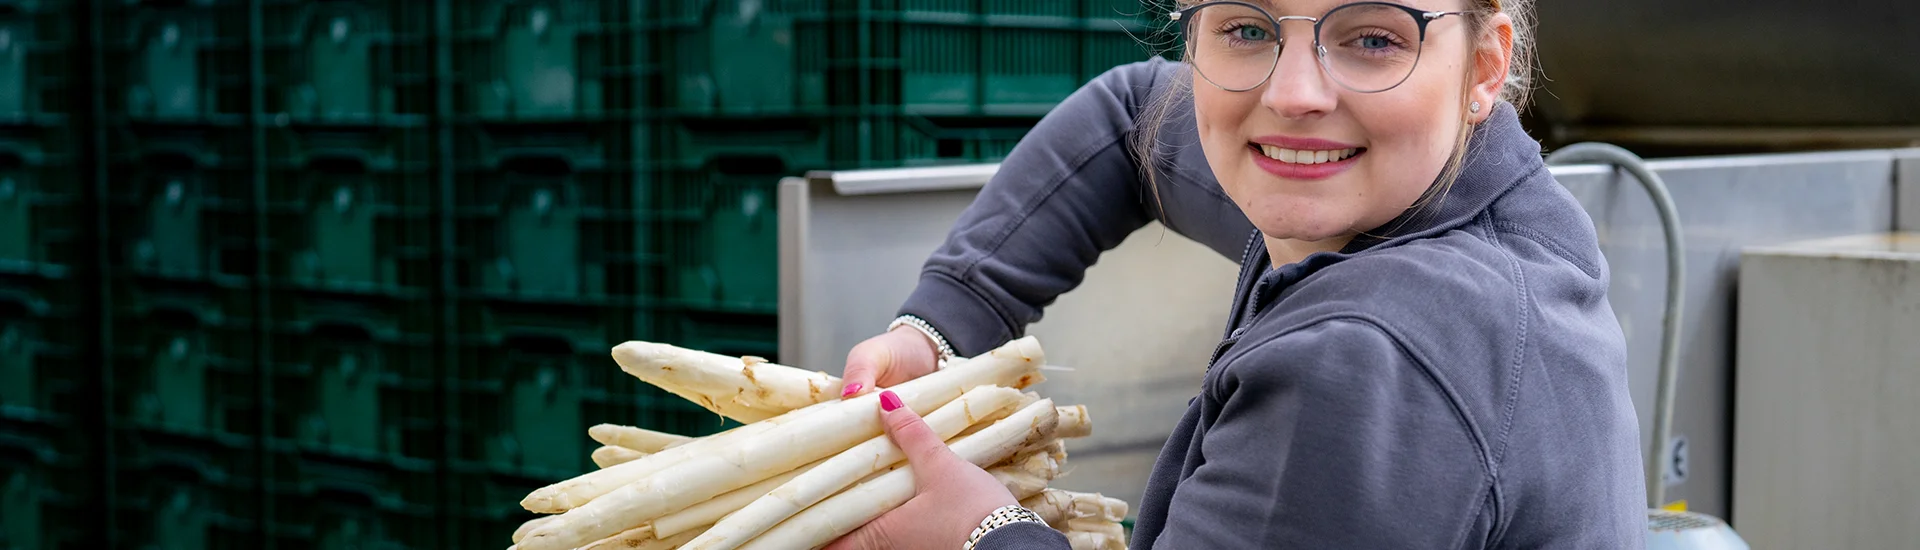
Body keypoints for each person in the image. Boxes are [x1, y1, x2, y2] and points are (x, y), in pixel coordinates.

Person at [826, 0, 1646, 548]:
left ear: (1484, 67)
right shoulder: (1433, 186)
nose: (1293, 95)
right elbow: (1128, 123)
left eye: (1373, 38)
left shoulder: (1366, 360)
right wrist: (938, 328)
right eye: (1247, 29)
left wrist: (982, 532)